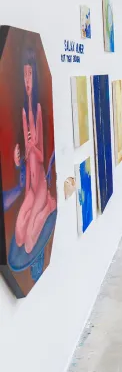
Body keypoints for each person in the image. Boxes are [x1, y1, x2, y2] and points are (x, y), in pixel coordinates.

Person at [15, 49, 57, 254]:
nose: (27, 80)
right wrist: (19, 159)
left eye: (30, 74)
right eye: (24, 75)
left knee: (30, 244)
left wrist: (32, 147)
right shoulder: (24, 114)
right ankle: (39, 207)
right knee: (19, 237)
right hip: (30, 189)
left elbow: (40, 158)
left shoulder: (38, 111)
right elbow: (27, 160)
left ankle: (48, 205)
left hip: (40, 187)